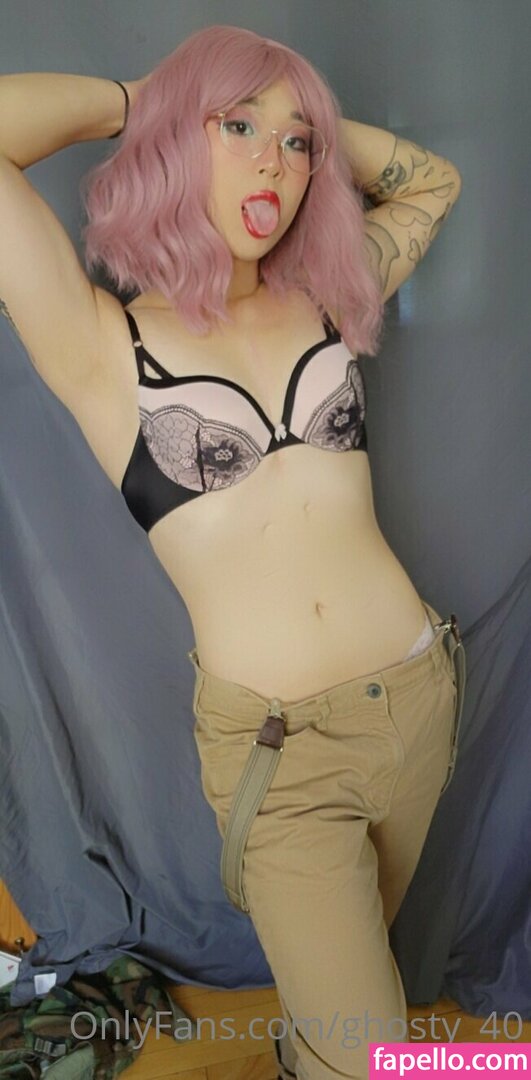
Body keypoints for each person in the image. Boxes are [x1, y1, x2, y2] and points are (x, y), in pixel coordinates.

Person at [0, 24, 466, 1080]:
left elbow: (433, 182)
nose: (277, 163)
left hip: (417, 702)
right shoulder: (100, 345)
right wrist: (147, 98)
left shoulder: (329, 297)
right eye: (241, 129)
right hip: (282, 753)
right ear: (178, 142)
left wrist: (301, 115)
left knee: (342, 1014)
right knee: (375, 1057)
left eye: (298, 144)